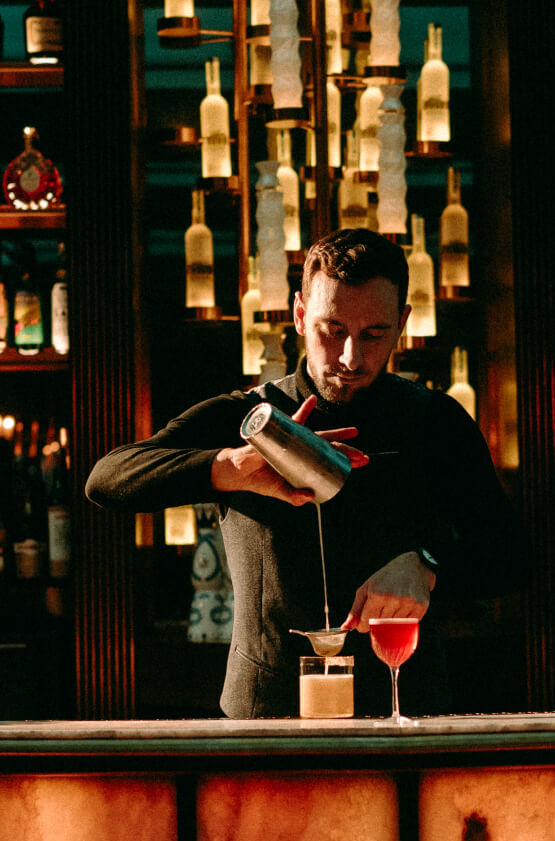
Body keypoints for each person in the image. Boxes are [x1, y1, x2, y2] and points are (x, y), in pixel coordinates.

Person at [85, 228, 525, 718]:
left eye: (374, 334)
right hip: (264, 715)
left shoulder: (435, 420)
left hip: (404, 711)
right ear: (299, 315)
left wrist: (427, 564)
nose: (350, 358)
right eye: (331, 330)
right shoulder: (247, 416)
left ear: (402, 323)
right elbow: (107, 478)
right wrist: (233, 467)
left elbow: (512, 556)